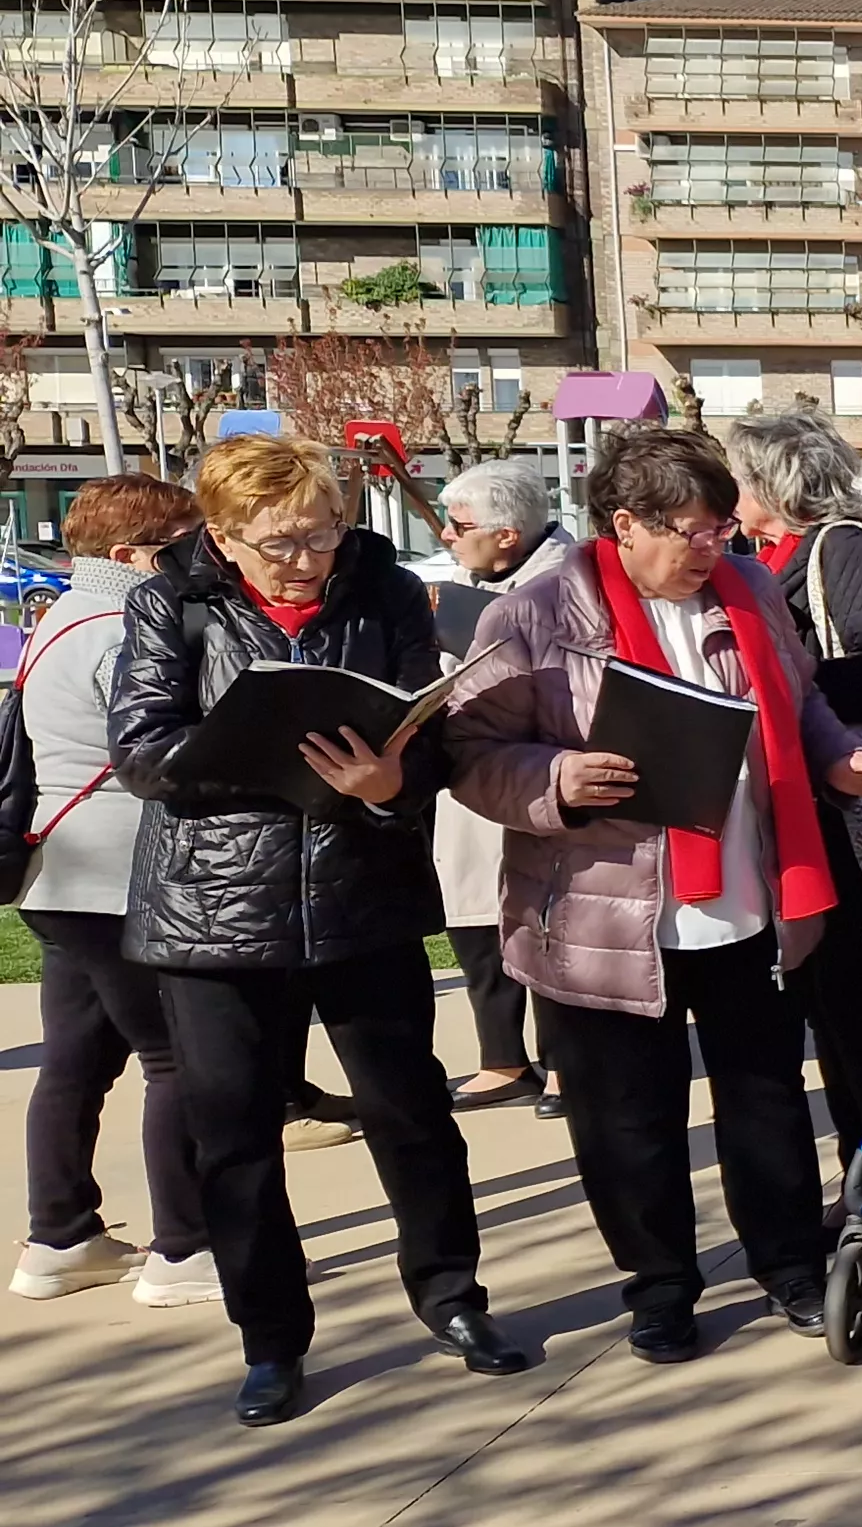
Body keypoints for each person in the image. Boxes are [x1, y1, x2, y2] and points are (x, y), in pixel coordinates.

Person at [449, 425, 862, 1364]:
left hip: (749, 893)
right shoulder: (536, 614)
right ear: (626, 522)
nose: (716, 551)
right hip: (602, 909)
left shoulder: (747, 591)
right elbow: (469, 754)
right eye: (696, 533)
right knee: (628, 1116)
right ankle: (659, 1286)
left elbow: (803, 697)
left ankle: (786, 1263)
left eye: (724, 530)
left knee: (766, 1097)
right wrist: (557, 781)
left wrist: (837, 759)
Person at [111, 435, 529, 1425]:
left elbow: (426, 737)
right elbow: (142, 750)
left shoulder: (380, 591)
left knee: (411, 1113)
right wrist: (272, 755)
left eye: (324, 531)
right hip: (215, 909)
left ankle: (451, 1297)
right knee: (237, 1138)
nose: (309, 558)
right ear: (223, 533)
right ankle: (270, 1341)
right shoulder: (170, 600)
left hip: (360, 898)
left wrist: (395, 781)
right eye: (282, 542)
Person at [727, 408, 862, 1250]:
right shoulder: (761, 560)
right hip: (801, 821)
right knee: (829, 1019)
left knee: (858, 1022)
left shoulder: (842, 546)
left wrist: (788, 687)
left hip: (849, 824)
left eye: (736, 477)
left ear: (770, 481)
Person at [13, 476, 217, 1309]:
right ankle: (187, 1248)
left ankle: (60, 1236)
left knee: (76, 1060)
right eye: (187, 537)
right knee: (178, 1061)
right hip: (120, 871)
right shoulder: (127, 628)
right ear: (134, 554)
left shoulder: (57, 615)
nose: (204, 550)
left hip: (57, 872)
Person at [429, 459, 572, 1116]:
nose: (447, 539)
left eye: (457, 527)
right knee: (475, 916)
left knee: (549, 921)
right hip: (467, 776)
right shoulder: (463, 578)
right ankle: (502, 1058)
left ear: (506, 534)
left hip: (540, 769)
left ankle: (565, 1065)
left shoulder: (568, 580)